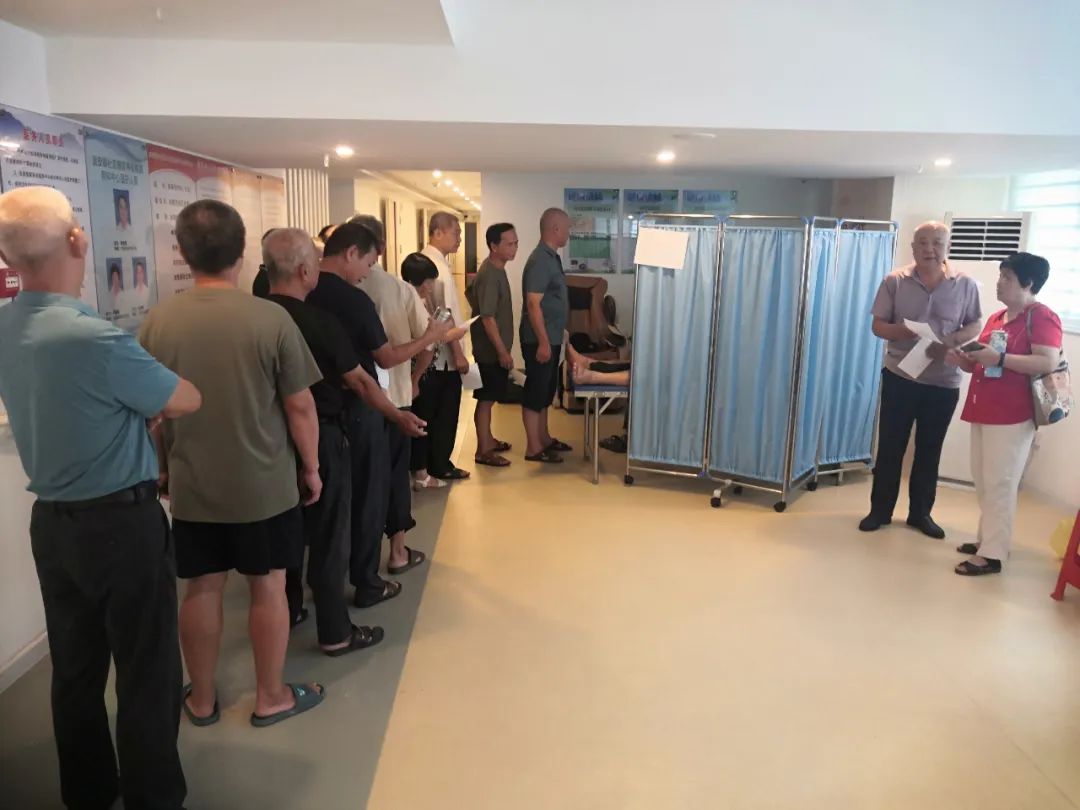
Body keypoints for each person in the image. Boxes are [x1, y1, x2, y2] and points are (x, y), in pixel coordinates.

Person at [0, 186, 201, 810]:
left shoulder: (8, 325)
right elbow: (184, 398)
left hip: (53, 526)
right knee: (147, 670)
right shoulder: (92, 336)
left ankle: (87, 791)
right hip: (121, 525)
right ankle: (152, 795)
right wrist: (143, 412)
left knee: (75, 668)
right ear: (77, 240)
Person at [139, 199, 327, 729]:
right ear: (243, 253)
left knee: (201, 587)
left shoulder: (158, 322)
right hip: (264, 485)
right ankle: (270, 696)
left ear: (182, 252)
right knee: (268, 585)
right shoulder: (270, 317)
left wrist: (163, 468)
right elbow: (300, 406)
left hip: (194, 483)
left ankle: (201, 699)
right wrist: (311, 468)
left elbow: (154, 413)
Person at [264, 228, 417, 652]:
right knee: (330, 534)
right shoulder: (319, 322)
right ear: (304, 271)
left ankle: (291, 607)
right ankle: (335, 632)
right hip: (322, 436)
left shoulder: (253, 317)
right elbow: (361, 382)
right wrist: (397, 415)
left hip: (268, 441)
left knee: (286, 531)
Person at [308, 223, 448, 609]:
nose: (367, 272)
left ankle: (316, 589)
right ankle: (368, 581)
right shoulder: (356, 300)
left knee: (326, 505)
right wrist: (431, 336)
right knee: (371, 494)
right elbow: (381, 361)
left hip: (312, 414)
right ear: (352, 252)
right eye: (368, 262)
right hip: (362, 408)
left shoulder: (301, 292)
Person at [860, 221, 982, 539]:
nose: (930, 249)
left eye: (937, 242)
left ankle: (920, 514)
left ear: (947, 247)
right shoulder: (894, 281)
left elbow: (975, 324)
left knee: (929, 450)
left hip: (943, 382)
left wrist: (952, 341)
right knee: (890, 446)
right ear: (913, 247)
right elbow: (878, 326)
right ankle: (879, 511)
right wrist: (905, 330)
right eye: (923, 242)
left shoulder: (966, 284)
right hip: (900, 375)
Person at [945, 252, 1064, 576]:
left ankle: (993, 554)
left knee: (1001, 482)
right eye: (1001, 276)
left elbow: (1047, 361)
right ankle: (988, 540)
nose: (999, 283)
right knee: (985, 481)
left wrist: (999, 359)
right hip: (984, 407)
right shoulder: (998, 318)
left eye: (1007, 278)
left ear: (1028, 283)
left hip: (1013, 413)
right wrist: (964, 361)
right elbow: (984, 361)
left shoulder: (1042, 317)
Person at [352, 214, 435, 572]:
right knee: (393, 476)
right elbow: (428, 341)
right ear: (381, 247)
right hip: (395, 398)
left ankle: (354, 558)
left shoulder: (329, 288)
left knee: (357, 479)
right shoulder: (398, 289)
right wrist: (414, 379)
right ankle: (397, 551)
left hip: (350, 401)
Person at [520, 208, 573, 463]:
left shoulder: (552, 257)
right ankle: (533, 448)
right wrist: (543, 341)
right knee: (536, 392)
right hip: (538, 340)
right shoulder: (541, 259)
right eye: (567, 228)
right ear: (555, 229)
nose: (569, 233)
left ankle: (544, 438)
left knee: (545, 391)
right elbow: (533, 303)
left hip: (550, 337)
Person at [420, 212, 471, 480]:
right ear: (437, 232)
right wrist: (459, 354)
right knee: (444, 413)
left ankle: (433, 463)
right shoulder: (435, 268)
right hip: (443, 357)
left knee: (435, 412)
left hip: (436, 353)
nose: (459, 239)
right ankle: (440, 465)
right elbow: (444, 315)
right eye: (456, 233)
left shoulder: (434, 262)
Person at [466, 222, 518, 467]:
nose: (514, 248)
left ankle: (488, 440)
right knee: (486, 399)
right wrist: (502, 352)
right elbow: (487, 317)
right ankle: (483, 450)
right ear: (493, 246)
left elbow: (472, 295)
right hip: (489, 352)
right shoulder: (489, 274)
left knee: (491, 396)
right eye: (509, 244)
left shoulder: (497, 269)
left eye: (516, 243)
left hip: (493, 350)